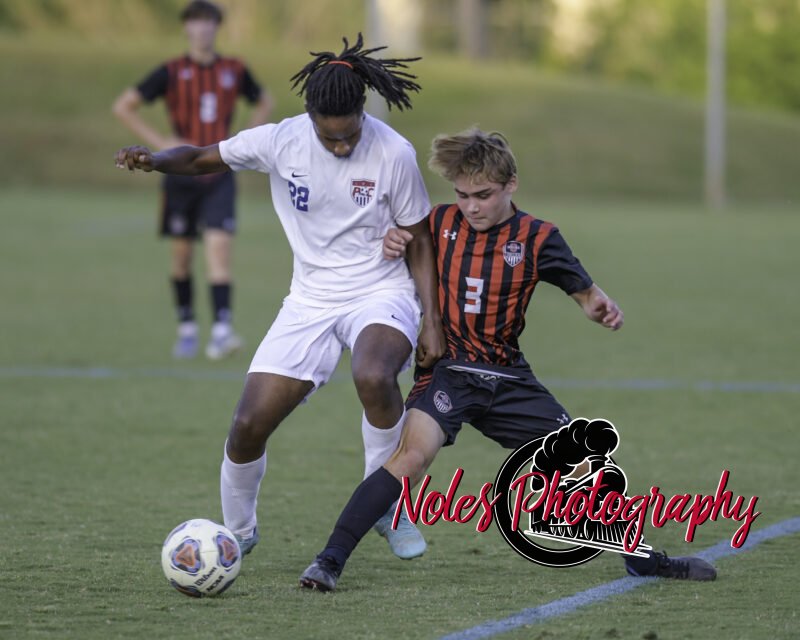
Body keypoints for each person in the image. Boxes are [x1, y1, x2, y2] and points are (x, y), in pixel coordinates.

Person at [299, 128, 717, 591]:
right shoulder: (437, 224)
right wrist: (394, 243)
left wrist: (600, 307)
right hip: (450, 371)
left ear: (511, 184)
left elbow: (586, 292)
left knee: (584, 466)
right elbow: (394, 252)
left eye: (483, 195)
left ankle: (642, 559)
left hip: (508, 376)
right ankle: (329, 561)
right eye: (462, 195)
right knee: (411, 456)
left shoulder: (538, 238)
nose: (472, 206)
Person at [115, 34, 445, 561]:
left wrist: (430, 319)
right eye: (329, 137)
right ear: (310, 116)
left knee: (374, 374)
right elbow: (203, 157)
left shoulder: (393, 152)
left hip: (380, 290)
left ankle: (384, 502)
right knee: (247, 426)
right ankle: (238, 533)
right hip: (308, 300)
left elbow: (421, 239)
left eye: (349, 135)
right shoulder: (281, 140)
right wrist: (154, 160)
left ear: (363, 112)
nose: (340, 146)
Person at [112, 0, 273, 360]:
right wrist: (161, 145)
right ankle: (187, 327)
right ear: (187, 28)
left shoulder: (234, 69)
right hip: (179, 173)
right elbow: (124, 105)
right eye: (196, 22)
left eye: (209, 22)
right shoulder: (171, 71)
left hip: (218, 170)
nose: (202, 29)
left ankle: (221, 330)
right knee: (182, 255)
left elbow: (264, 100)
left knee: (219, 249)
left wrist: (246, 137)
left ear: (217, 27)